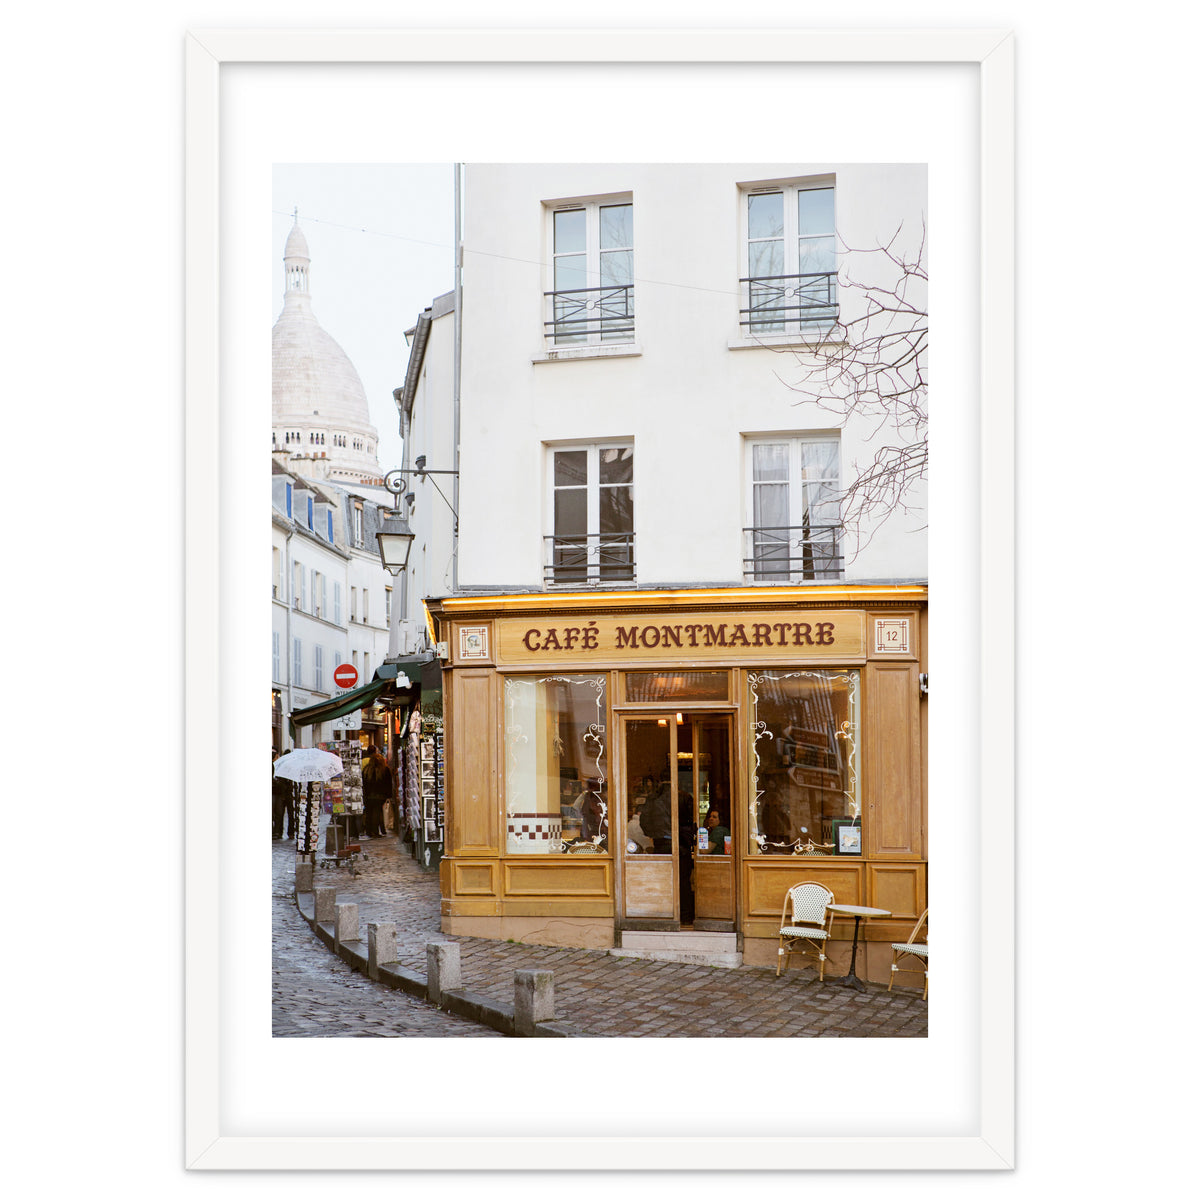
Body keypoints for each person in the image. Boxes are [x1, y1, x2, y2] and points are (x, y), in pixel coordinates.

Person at [361, 745, 392, 838]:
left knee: (369, 813)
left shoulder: (367, 770)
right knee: (377, 813)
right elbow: (388, 783)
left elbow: (364, 783)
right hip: (380, 795)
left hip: (369, 795)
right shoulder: (385, 769)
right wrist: (388, 795)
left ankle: (369, 831)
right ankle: (375, 831)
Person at [271, 752, 294, 840]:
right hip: (280, 793)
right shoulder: (278, 766)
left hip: (285, 793)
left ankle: (288, 832)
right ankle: (278, 832)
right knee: (279, 813)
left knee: (285, 813)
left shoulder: (289, 767)